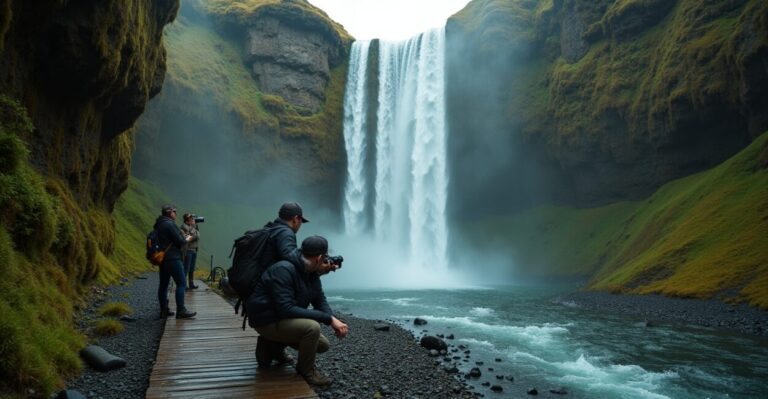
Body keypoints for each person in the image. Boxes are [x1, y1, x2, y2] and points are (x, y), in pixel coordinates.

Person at [246, 235, 348, 387]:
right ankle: (306, 371)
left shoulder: (310, 272)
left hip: (280, 318)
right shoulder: (283, 270)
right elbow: (286, 309)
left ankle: (271, 346)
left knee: (322, 345)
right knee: (311, 328)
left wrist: (331, 317)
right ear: (319, 257)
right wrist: (328, 319)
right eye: (325, 257)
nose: (327, 261)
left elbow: (319, 299)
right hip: (265, 320)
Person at [155, 204, 197, 319]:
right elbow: (180, 241)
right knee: (182, 283)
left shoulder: (158, 224)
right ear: (169, 212)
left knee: (163, 285)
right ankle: (181, 310)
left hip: (162, 259)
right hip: (173, 258)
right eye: (174, 211)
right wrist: (187, 239)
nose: (176, 214)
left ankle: (164, 310)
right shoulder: (169, 224)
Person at [180, 213, 200, 289]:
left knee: (192, 268)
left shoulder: (192, 227)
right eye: (191, 219)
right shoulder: (183, 227)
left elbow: (198, 236)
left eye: (192, 218)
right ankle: (184, 284)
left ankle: (191, 283)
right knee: (186, 268)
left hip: (194, 249)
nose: (192, 220)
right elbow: (188, 238)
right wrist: (193, 228)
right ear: (186, 220)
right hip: (188, 250)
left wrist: (194, 227)